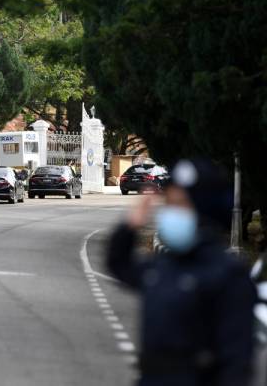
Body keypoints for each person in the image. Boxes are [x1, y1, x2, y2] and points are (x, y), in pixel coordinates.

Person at [106, 158, 256, 386]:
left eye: (180, 204)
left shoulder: (227, 274)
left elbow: (236, 361)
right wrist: (130, 226)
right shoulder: (164, 265)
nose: (171, 212)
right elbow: (119, 265)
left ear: (203, 209)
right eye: (169, 203)